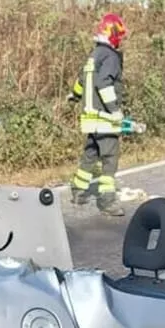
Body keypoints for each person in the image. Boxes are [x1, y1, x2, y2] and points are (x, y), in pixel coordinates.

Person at [68, 12, 128, 217]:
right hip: (104, 118)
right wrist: (114, 110)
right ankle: (107, 200)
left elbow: (82, 81)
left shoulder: (93, 55)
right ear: (113, 34)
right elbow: (104, 82)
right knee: (110, 157)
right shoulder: (110, 56)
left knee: (90, 153)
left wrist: (74, 96)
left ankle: (78, 191)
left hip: (89, 118)